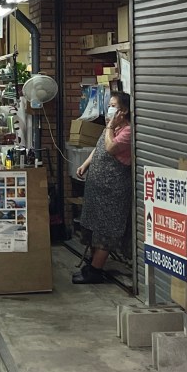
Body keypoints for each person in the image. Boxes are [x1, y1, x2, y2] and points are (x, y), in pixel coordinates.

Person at [72, 92, 132, 285]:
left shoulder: (127, 131)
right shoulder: (112, 127)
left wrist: (110, 127)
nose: (110, 109)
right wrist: (86, 164)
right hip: (96, 190)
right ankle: (91, 265)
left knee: (105, 232)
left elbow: (110, 148)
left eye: (114, 105)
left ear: (124, 111)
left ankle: (95, 271)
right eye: (110, 105)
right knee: (92, 228)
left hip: (112, 192)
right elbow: (98, 149)